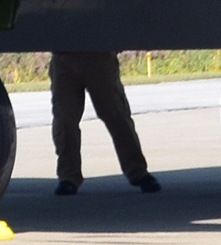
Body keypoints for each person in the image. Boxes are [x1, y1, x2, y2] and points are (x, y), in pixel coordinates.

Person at [46, 51, 161, 196]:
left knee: (117, 116)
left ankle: (138, 172)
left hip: (99, 56)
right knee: (65, 121)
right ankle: (68, 177)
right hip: (64, 57)